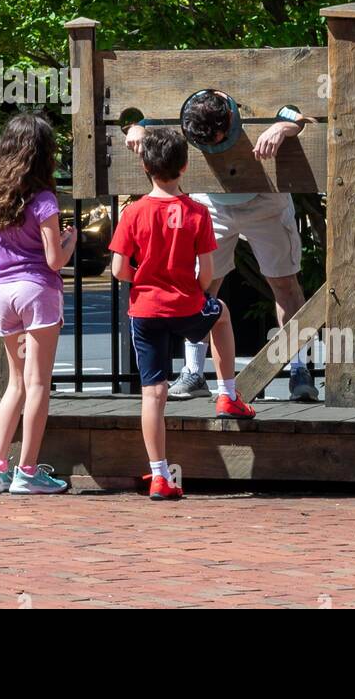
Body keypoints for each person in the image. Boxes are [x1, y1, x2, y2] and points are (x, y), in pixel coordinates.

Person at [124, 90, 318, 402]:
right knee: (201, 286)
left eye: (221, 140)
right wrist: (135, 127)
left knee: (285, 285)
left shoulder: (253, 96)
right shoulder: (186, 104)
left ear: (230, 116)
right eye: (207, 144)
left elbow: (302, 116)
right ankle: (193, 371)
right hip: (211, 202)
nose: (216, 149)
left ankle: (299, 369)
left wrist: (283, 127)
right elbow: (144, 116)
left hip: (265, 200)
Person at [110, 126, 253, 500]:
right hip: (187, 305)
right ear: (185, 166)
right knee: (220, 313)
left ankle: (158, 474)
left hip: (145, 309)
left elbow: (118, 270)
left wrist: (142, 279)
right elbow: (207, 272)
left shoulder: (134, 212)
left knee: (153, 393)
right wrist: (196, 293)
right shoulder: (197, 212)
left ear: (144, 165)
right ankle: (227, 393)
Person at [0, 113, 75, 495]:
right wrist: (70, 241)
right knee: (38, 384)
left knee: (14, 383)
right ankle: (28, 470)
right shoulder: (44, 199)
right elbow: (54, 260)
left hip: (4, 293)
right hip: (37, 292)